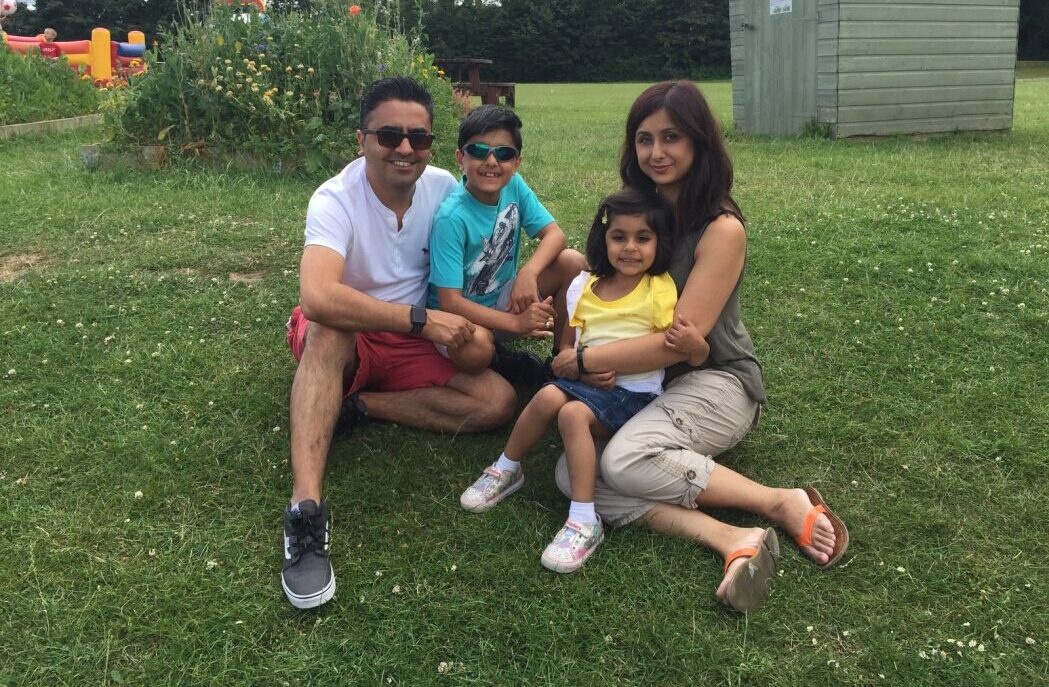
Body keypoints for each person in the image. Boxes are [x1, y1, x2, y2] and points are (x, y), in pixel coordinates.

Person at [550, 80, 849, 612]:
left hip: (718, 379)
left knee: (619, 463)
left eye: (671, 137)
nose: (656, 153)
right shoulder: (638, 214)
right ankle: (731, 538)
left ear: (699, 143)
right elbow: (605, 288)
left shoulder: (721, 228)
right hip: (644, 389)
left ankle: (779, 502)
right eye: (644, 139)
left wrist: (581, 361)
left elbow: (673, 345)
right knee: (571, 474)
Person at [281, 77, 516, 609]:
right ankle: (305, 511)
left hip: (415, 338)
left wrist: (526, 282)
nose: (405, 149)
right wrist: (420, 319)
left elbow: (506, 210)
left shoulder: (443, 187)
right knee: (325, 330)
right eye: (389, 135)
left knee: (497, 401)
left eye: (419, 137)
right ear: (361, 139)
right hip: (353, 334)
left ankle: (361, 407)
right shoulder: (334, 198)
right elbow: (317, 296)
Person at [460, 188, 710, 573]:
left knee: (572, 415)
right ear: (603, 238)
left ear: (660, 243)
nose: (630, 248)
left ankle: (583, 519)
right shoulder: (583, 288)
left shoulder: (659, 288)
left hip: (634, 394)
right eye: (619, 237)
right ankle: (506, 469)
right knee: (546, 397)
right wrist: (580, 368)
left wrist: (697, 349)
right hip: (589, 383)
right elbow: (563, 356)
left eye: (643, 238)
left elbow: (678, 349)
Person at [427, 105, 586, 384]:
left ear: (517, 162)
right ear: (460, 158)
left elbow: (555, 235)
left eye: (503, 153)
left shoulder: (514, 185)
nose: (491, 161)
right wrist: (517, 324)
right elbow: (449, 302)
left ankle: (560, 357)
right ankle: (501, 361)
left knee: (572, 261)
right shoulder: (451, 218)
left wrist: (528, 273)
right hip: (460, 318)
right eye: (478, 151)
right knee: (475, 348)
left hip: (503, 299)